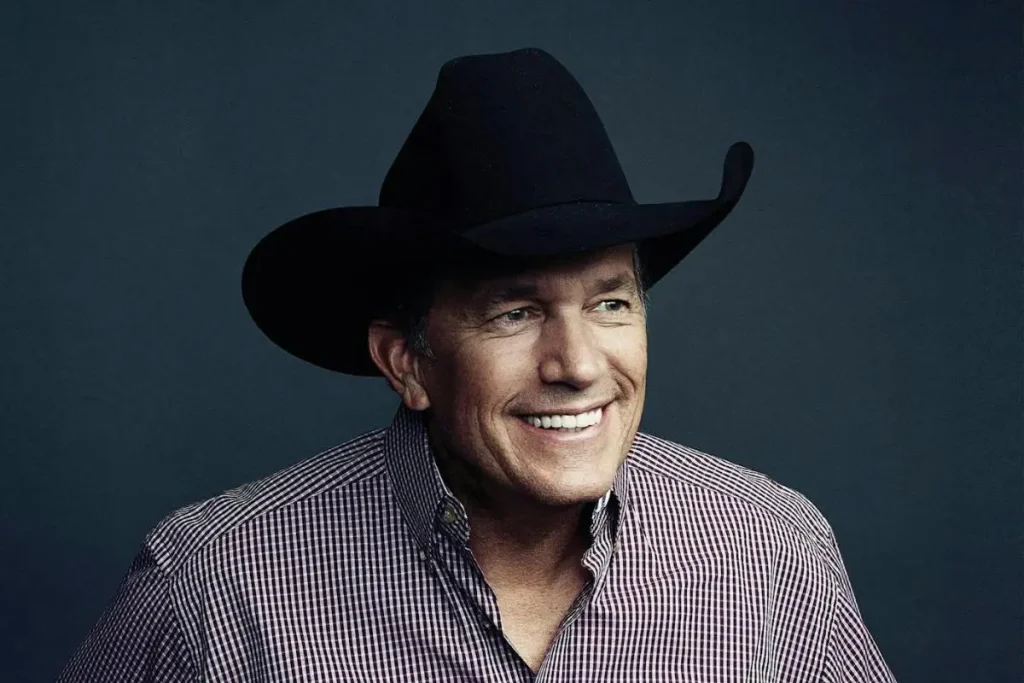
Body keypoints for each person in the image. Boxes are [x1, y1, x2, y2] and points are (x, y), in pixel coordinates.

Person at [57, 47, 897, 682]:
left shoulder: (773, 553)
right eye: (516, 312)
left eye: (610, 302)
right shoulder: (212, 585)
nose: (575, 364)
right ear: (406, 362)